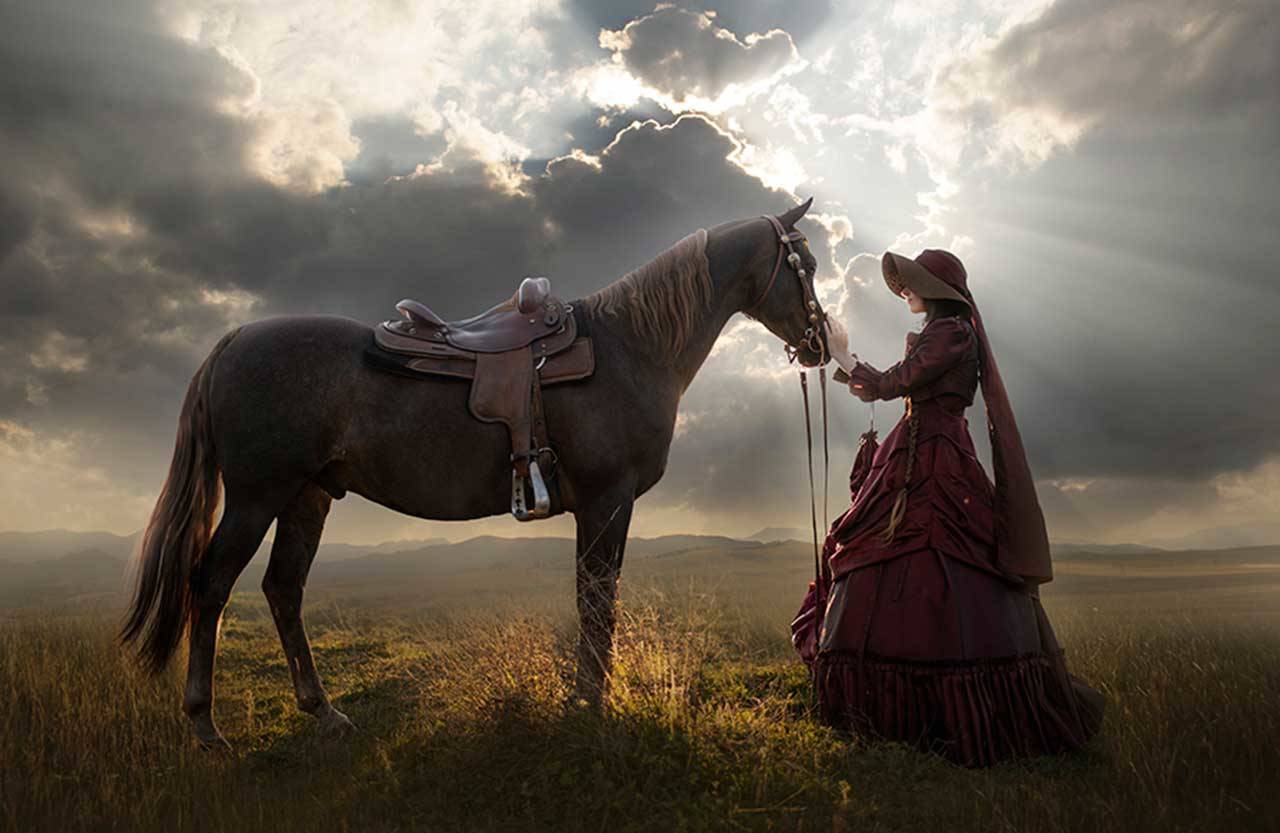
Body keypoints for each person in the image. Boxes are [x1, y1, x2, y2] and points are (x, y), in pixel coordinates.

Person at [793, 248, 1105, 768]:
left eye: (912, 283)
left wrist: (843, 353)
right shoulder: (948, 332)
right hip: (917, 449)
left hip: (935, 459)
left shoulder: (952, 331)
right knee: (889, 555)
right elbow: (896, 385)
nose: (905, 291)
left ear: (940, 289)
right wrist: (844, 360)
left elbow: (894, 383)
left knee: (931, 560)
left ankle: (919, 714)